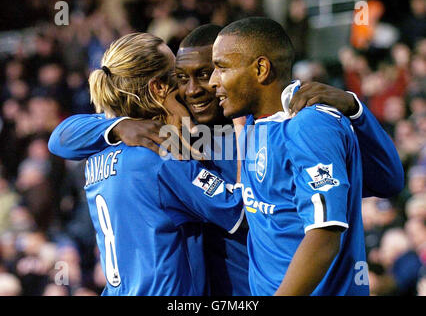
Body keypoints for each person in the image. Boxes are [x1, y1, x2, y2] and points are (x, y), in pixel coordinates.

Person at [49, 24, 404, 296]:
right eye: (181, 79)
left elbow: (385, 182)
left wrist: (355, 110)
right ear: (161, 88)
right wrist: (117, 127)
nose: (197, 89)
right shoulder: (161, 142)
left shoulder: (285, 127)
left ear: (250, 69)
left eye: (209, 72)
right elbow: (61, 137)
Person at [208, 17, 403, 295]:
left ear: (261, 69)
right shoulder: (255, 124)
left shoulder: (308, 124)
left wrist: (354, 108)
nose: (213, 82)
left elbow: (324, 235)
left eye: (221, 68)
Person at [50, 32, 246, 296]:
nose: (188, 87)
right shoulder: (161, 155)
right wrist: (243, 127)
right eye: (177, 75)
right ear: (158, 87)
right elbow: (239, 210)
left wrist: (117, 126)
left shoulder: (99, 150)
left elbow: (60, 139)